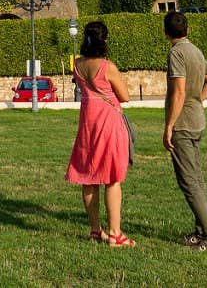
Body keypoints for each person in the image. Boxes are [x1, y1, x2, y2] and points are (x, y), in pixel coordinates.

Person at [65, 20, 135, 248]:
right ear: (104, 40)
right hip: (108, 122)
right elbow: (124, 96)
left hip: (87, 123)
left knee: (89, 177)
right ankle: (115, 234)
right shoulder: (107, 66)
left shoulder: (77, 65)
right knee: (112, 178)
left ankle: (95, 230)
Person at [163, 11, 207, 251]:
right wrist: (198, 99)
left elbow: (178, 91)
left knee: (189, 182)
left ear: (166, 33)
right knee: (196, 179)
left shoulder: (176, 53)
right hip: (198, 121)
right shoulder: (196, 51)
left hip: (184, 124)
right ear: (188, 30)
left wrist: (169, 126)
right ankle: (200, 232)